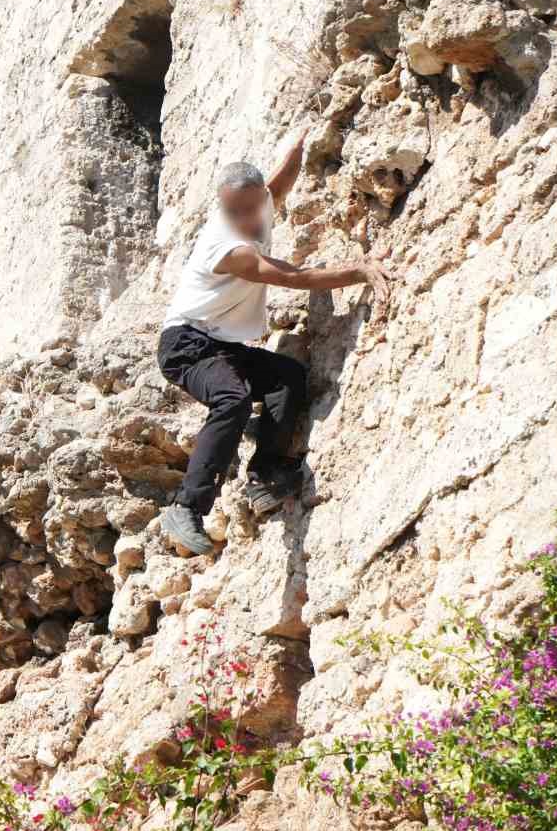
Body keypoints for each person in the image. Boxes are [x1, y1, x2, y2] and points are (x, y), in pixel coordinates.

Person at [156, 128, 393, 555]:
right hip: (186, 344)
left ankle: (265, 475)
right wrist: (357, 271)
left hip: (220, 343)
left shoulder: (259, 204)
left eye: (252, 207)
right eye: (236, 211)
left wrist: (301, 145)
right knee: (232, 399)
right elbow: (291, 277)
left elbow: (279, 185)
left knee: (287, 379)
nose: (248, 218)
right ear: (223, 207)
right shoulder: (229, 247)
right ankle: (186, 508)